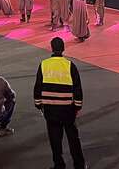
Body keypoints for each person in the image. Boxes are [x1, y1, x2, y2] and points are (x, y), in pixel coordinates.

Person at [34, 37, 85, 169]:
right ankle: (79, 164)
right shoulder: (70, 65)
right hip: (67, 109)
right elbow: (77, 88)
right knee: (73, 138)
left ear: (51, 48)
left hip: (50, 109)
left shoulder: (44, 64)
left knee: (55, 139)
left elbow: (38, 86)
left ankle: (59, 165)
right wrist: (77, 106)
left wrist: (39, 104)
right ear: (63, 49)